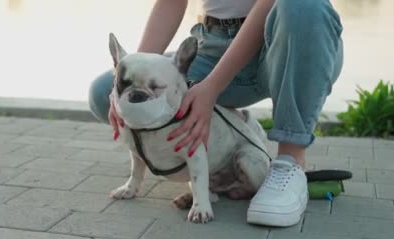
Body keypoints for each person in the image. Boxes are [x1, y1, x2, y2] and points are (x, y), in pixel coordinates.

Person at [87, 0, 344, 227]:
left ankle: (291, 161)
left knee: (304, 4)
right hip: (212, 43)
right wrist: (131, 71)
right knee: (103, 93)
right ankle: (235, 129)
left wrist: (211, 89)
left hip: (290, 39)